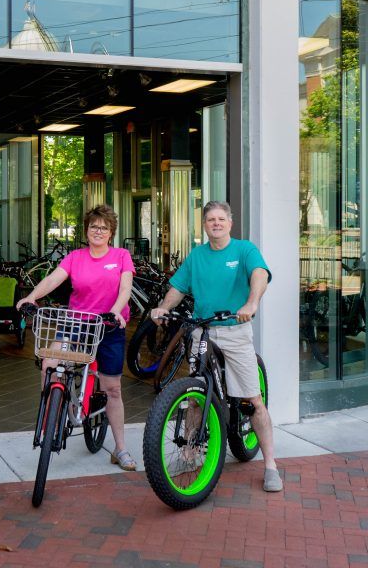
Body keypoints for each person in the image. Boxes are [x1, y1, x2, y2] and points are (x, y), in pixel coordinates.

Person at [151, 200, 283, 493]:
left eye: (221, 219)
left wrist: (252, 302)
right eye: (211, 219)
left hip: (235, 331)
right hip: (202, 331)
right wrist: (162, 308)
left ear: (230, 223)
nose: (216, 223)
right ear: (205, 224)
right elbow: (177, 289)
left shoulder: (243, 250)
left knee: (253, 401)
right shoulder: (197, 256)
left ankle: (271, 464)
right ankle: (189, 454)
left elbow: (259, 274)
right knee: (196, 395)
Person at [18, 204, 137, 471]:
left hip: (108, 325)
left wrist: (115, 311)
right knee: (50, 362)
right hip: (76, 324)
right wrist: (31, 297)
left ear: (111, 233)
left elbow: (126, 288)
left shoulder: (120, 256)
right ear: (86, 230)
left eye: (103, 227)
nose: (98, 231)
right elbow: (53, 280)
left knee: (112, 390)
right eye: (94, 226)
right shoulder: (75, 257)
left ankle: (120, 449)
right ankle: (52, 412)